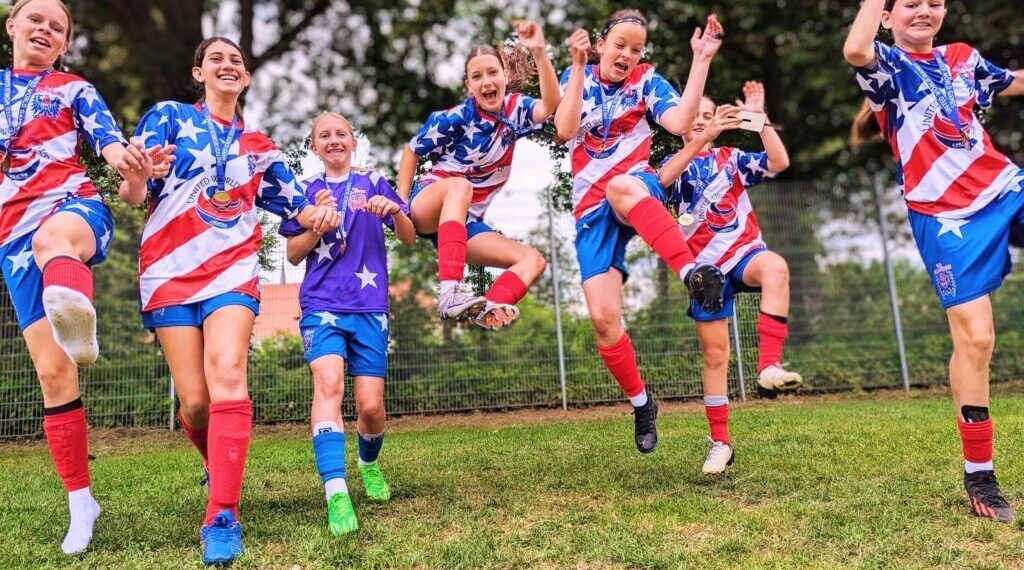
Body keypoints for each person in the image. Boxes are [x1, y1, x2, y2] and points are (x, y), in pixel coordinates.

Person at [120, 37, 340, 564]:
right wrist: (138, 172)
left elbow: (298, 207)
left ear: (244, 79)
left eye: (235, 61)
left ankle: (222, 514)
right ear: (199, 73)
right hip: (167, 273)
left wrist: (322, 214)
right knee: (195, 403)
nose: (227, 65)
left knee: (227, 371)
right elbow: (134, 190)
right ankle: (216, 461)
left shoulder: (260, 146)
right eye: (216, 58)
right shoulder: (168, 117)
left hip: (233, 273)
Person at [1, 0, 172, 555]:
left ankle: (79, 316)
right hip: (12, 237)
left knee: (56, 242)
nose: (45, 30)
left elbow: (109, 139)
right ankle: (81, 503)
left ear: (65, 44)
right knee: (54, 377)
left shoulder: (73, 88)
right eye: (36, 19)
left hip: (73, 205)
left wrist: (130, 161)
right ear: (12, 25)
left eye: (58, 26)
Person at [844, 0, 1024, 522]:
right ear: (885, 15)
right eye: (910, 3)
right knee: (976, 339)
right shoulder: (887, 69)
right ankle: (980, 476)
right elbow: (855, 49)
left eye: (935, 3)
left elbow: (1012, 80)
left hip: (1002, 187)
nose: (924, 11)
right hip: (943, 217)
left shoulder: (963, 58)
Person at [552, 9, 726, 454]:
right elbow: (565, 129)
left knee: (622, 185)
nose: (628, 54)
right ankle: (643, 403)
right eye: (620, 45)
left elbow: (680, 124)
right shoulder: (579, 76)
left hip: (637, 189)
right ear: (600, 45)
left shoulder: (646, 80)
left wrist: (701, 59)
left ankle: (692, 274)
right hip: (590, 211)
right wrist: (574, 67)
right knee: (604, 321)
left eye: (636, 48)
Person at [280, 111, 414, 536]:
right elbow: (293, 254)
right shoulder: (305, 192)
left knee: (371, 407)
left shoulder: (374, 182)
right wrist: (317, 225)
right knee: (329, 386)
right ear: (314, 146)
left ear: (353, 142)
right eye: (325, 135)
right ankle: (336, 492)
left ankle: (368, 463)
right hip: (321, 305)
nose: (334, 140)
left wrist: (396, 209)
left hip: (370, 307)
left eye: (341, 133)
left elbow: (409, 235)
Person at [658, 84, 798, 474]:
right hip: (706, 271)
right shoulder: (674, 164)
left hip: (744, 255)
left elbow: (779, 161)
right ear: (680, 123)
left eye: (707, 115)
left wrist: (759, 120)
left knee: (776, 267)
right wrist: (702, 136)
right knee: (715, 356)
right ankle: (720, 442)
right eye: (693, 117)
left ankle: (768, 368)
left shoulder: (731, 159)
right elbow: (663, 181)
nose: (701, 122)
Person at [396, 20, 559, 330]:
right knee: (458, 186)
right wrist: (401, 206)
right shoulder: (457, 117)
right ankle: (449, 296)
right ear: (468, 86)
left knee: (533, 260)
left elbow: (551, 105)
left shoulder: (516, 110)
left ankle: (492, 307)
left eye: (492, 73)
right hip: (431, 203)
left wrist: (538, 51)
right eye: (477, 76)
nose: (486, 82)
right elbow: (411, 151)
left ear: (505, 77)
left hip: (463, 223)